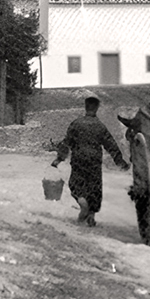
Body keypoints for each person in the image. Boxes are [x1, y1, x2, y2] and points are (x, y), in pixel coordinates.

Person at [51, 96, 130, 227]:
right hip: (94, 161)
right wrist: (120, 163)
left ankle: (83, 203)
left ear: (86, 107)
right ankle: (91, 215)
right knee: (94, 187)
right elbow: (111, 145)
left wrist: (59, 159)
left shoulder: (76, 124)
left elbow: (67, 143)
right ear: (97, 108)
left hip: (79, 159)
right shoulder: (100, 126)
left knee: (76, 184)